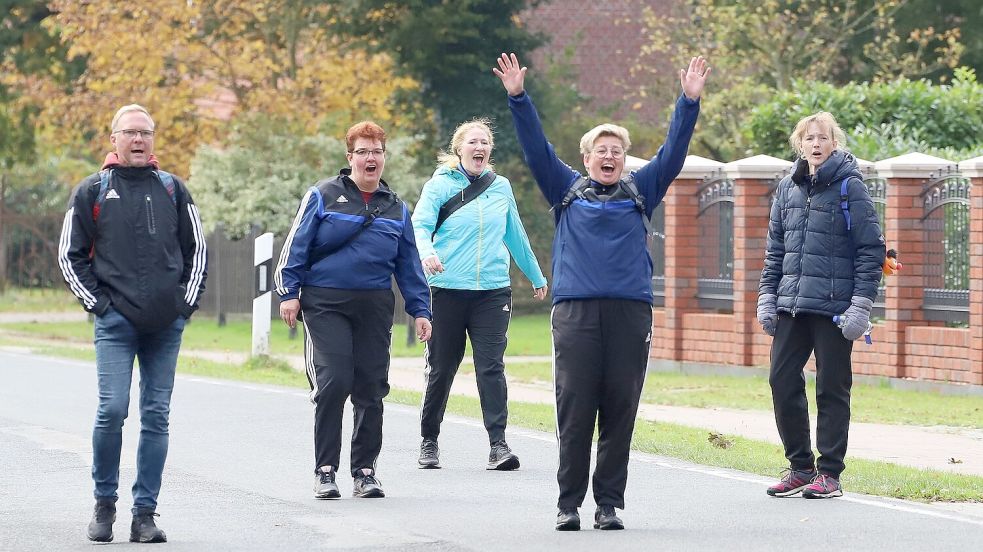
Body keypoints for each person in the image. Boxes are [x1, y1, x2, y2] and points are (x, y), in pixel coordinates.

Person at [494, 52, 709, 531]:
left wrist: (688, 101)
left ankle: (607, 504)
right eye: (601, 151)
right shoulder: (565, 189)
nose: (609, 157)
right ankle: (567, 504)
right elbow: (534, 147)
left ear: (624, 159)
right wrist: (518, 97)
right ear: (586, 158)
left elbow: (673, 150)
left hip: (631, 315)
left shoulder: (643, 190)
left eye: (617, 151)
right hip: (576, 314)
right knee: (575, 410)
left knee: (620, 410)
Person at [57, 104, 208, 543]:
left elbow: (196, 249)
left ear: (153, 140)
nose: (138, 140)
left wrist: (184, 304)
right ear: (114, 140)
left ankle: (145, 515)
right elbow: (70, 256)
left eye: (145, 133)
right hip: (115, 322)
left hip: (165, 325)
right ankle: (104, 505)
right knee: (112, 410)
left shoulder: (173, 189)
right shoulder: (93, 191)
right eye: (130, 133)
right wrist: (100, 306)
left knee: (156, 416)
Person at [274, 121, 433, 501]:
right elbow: (296, 246)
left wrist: (420, 308)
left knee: (371, 388)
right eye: (362, 151)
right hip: (325, 303)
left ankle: (364, 471)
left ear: (384, 158)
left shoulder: (396, 208)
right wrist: (289, 292)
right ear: (350, 158)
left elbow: (408, 264)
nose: (370, 157)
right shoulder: (323, 195)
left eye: (377, 151)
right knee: (334, 382)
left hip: (374, 306)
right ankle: (325, 470)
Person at [757, 112, 884, 500]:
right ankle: (800, 467)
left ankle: (829, 473)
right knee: (781, 380)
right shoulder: (786, 189)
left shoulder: (851, 187)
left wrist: (860, 307)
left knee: (831, 388)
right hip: (792, 304)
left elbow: (871, 249)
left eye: (823, 138)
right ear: (800, 144)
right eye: (809, 138)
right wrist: (767, 296)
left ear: (834, 143)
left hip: (834, 308)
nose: (815, 144)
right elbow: (775, 249)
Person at [411, 119, 548, 471]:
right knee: (442, 368)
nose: (480, 147)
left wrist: (534, 275)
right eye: (473, 141)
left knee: (491, 367)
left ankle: (498, 445)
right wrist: (426, 253)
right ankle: (429, 440)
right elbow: (420, 225)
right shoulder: (439, 186)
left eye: (485, 142)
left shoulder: (500, 187)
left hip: (492, 291)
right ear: (459, 149)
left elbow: (515, 234)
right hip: (447, 290)